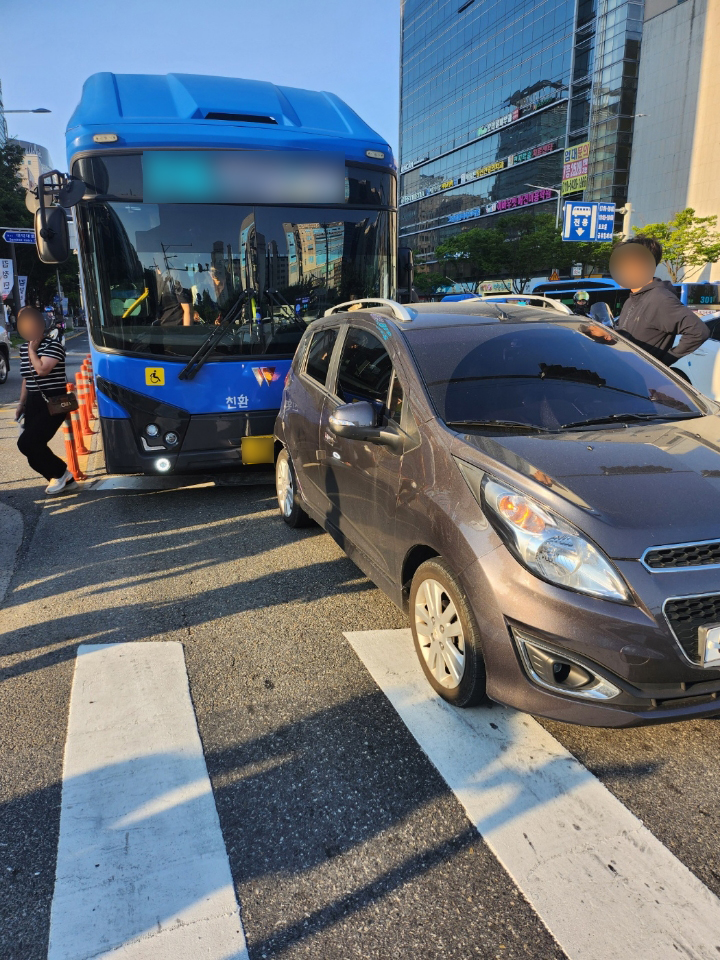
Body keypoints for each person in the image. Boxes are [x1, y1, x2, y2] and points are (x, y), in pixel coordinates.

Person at [613, 236, 709, 364]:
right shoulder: (632, 299)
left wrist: (662, 364)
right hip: (625, 373)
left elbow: (699, 331)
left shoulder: (659, 299)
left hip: (644, 378)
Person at [14, 306, 75, 496]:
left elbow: (41, 369)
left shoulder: (54, 346)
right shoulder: (24, 348)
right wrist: (21, 404)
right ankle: (64, 477)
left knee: (28, 443)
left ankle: (61, 473)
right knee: (32, 451)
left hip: (55, 401)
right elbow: (28, 378)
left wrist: (33, 350)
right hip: (34, 401)